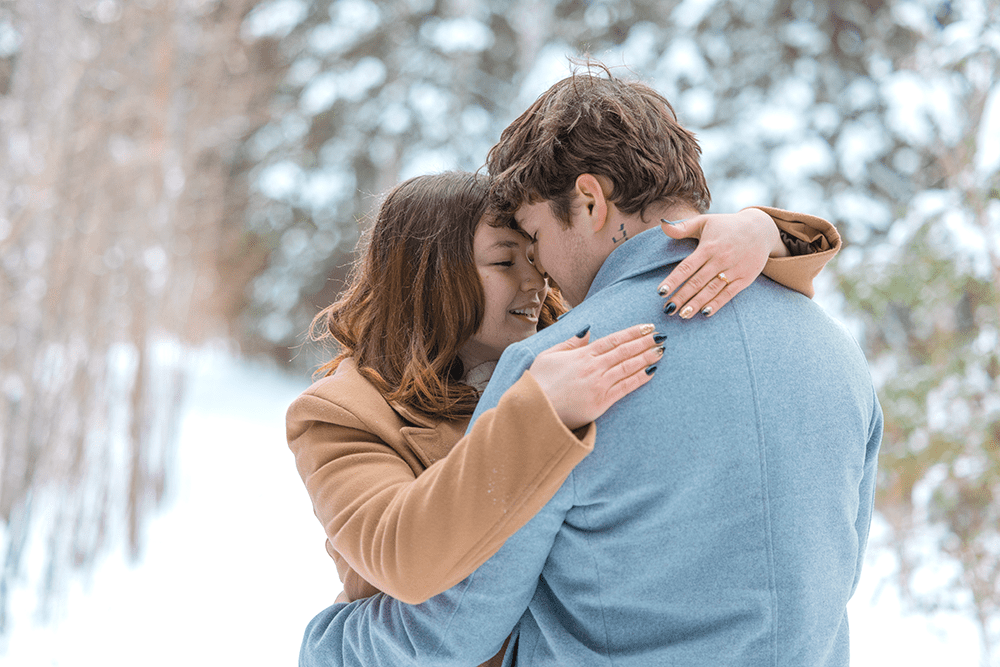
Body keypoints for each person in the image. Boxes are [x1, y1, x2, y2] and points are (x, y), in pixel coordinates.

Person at [297, 69, 881, 667]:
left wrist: (328, 644)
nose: (541, 272)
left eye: (535, 235)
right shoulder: (837, 351)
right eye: (509, 258)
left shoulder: (557, 366)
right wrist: (768, 230)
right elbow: (835, 569)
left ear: (590, 201)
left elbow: (455, 630)